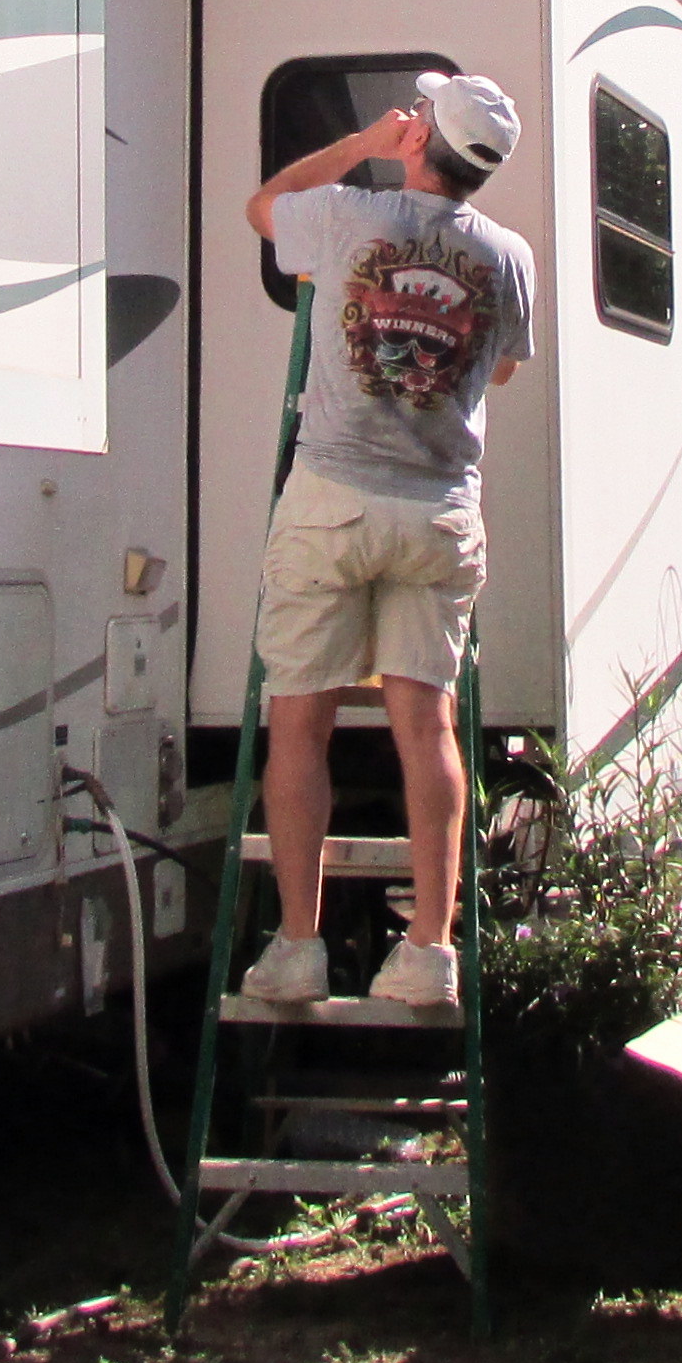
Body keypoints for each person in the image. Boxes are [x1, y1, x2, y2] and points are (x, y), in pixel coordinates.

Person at [238, 70, 537, 1010]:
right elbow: (503, 370)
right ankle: (429, 951)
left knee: (301, 722)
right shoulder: (509, 257)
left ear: (420, 137)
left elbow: (262, 207)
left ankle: (298, 946)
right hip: (439, 512)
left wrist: (365, 145)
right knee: (427, 726)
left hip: (332, 498)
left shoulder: (345, 216)